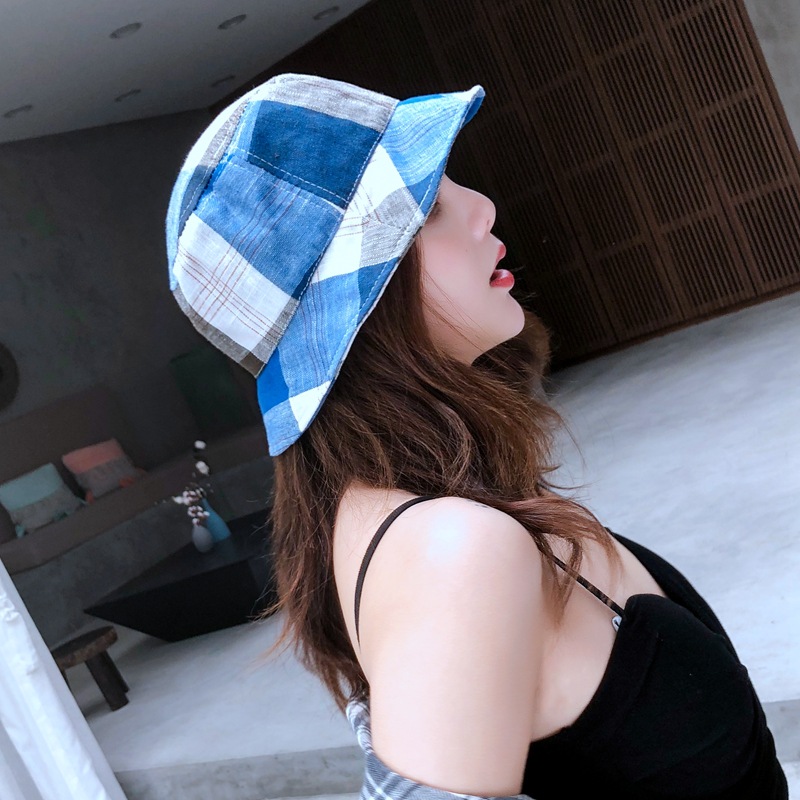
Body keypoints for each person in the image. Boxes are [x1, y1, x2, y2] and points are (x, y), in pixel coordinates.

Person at [165, 73, 788, 799]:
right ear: (358, 307)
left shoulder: (407, 503)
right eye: (426, 206)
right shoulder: (451, 550)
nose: (482, 207)